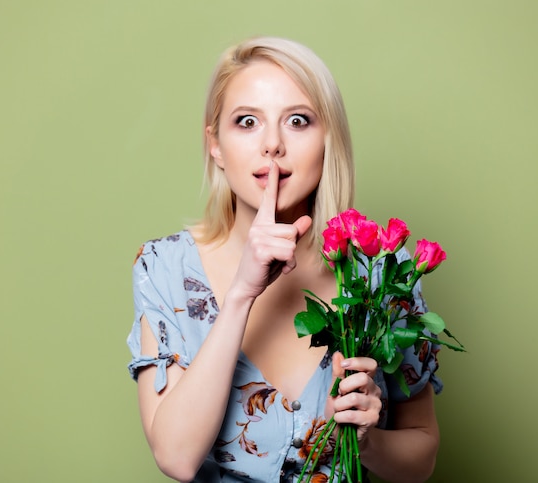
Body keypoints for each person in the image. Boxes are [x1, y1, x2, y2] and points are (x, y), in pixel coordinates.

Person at [127, 36, 442, 483]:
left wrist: (367, 440)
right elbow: (176, 458)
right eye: (247, 121)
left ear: (328, 138)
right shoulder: (166, 268)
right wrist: (241, 294)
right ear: (215, 145)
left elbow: (421, 455)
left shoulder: (380, 271)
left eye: (297, 121)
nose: (272, 145)